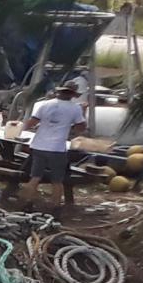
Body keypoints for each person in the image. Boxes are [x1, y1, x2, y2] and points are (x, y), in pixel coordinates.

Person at [23, 81, 87, 210]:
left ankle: (26, 203)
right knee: (57, 181)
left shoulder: (45, 104)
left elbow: (30, 123)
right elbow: (81, 128)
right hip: (57, 148)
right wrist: (83, 112)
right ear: (73, 95)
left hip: (39, 146)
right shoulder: (75, 108)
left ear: (59, 92)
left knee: (35, 177)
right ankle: (55, 208)